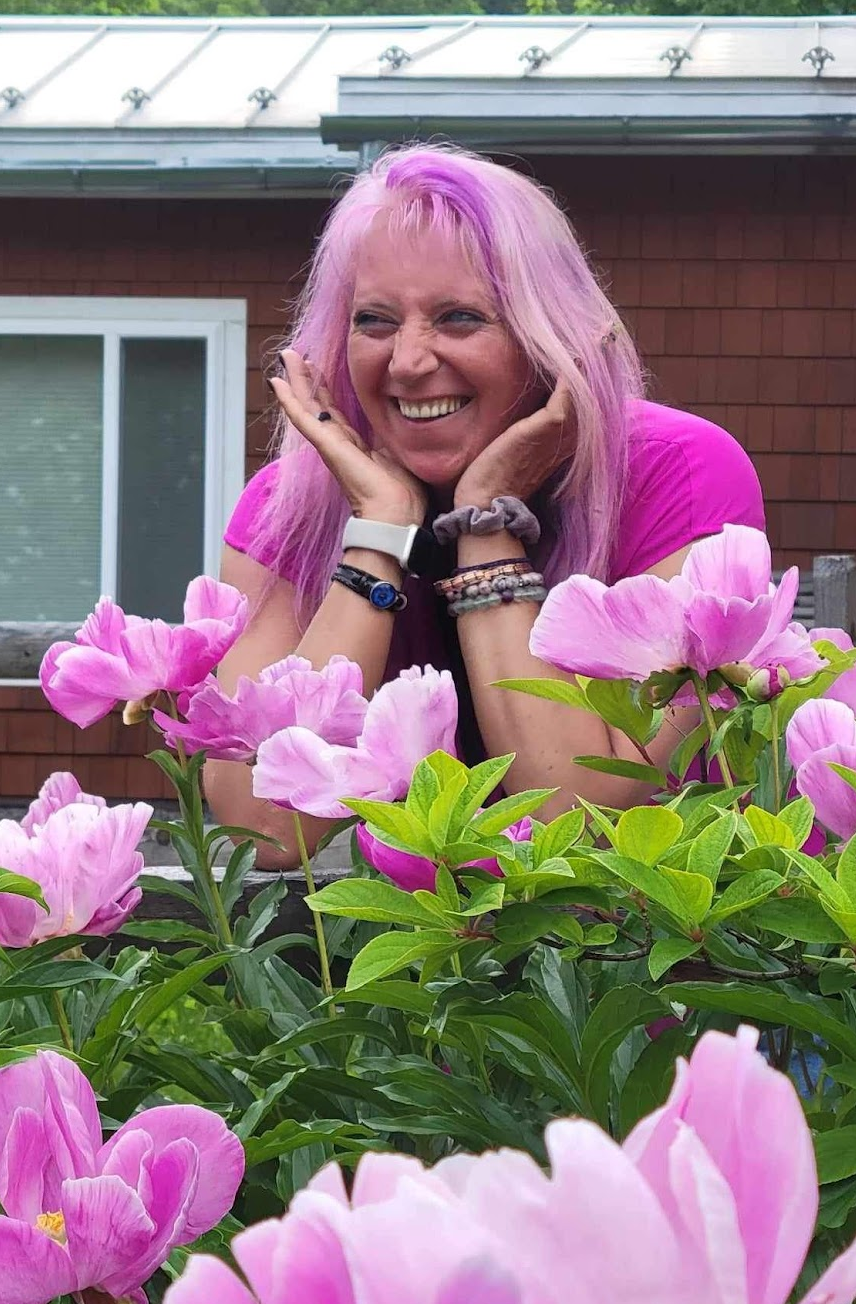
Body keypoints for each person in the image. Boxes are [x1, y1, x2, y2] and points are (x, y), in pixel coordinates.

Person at [207, 144, 764, 867]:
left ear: (548, 337)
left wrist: (485, 523)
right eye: (375, 320)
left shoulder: (680, 474)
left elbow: (580, 816)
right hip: (429, 957)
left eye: (460, 318)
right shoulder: (286, 511)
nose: (407, 361)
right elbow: (264, 829)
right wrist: (379, 530)